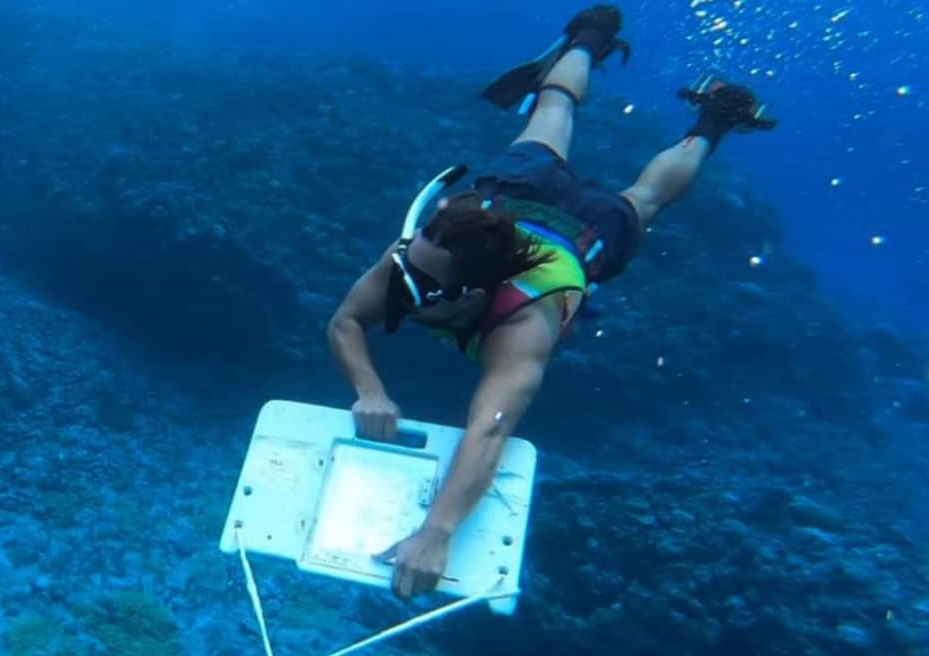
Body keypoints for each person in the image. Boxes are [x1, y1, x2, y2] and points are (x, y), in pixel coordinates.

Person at [326, 4, 775, 602]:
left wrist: (438, 531)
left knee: (644, 199)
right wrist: (369, 388)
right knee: (550, 108)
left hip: (584, 233)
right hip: (513, 196)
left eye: (422, 292)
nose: (399, 295)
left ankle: (713, 121)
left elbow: (489, 431)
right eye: (406, 273)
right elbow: (346, 320)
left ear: (476, 298)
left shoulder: (521, 329)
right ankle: (590, 37)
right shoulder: (419, 253)